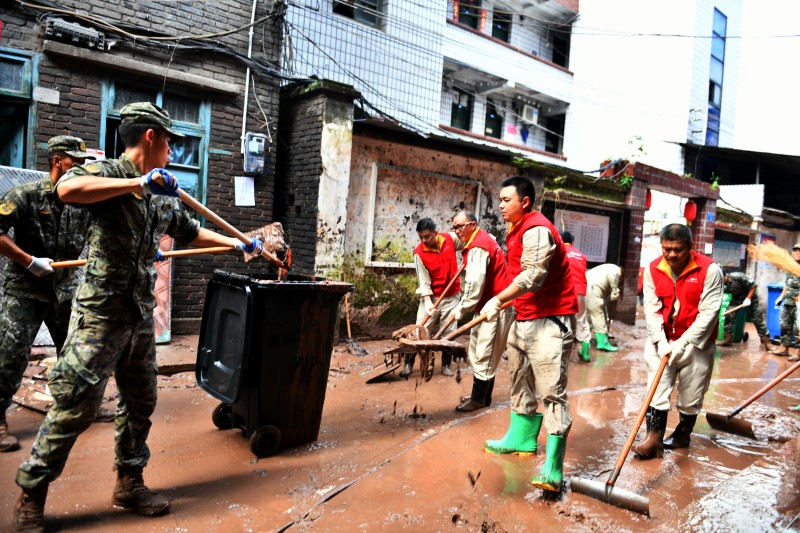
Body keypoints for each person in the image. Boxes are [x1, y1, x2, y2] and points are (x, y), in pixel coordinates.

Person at [12, 103, 266, 530]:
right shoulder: (109, 174)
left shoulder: (163, 191)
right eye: (169, 140)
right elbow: (67, 190)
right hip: (100, 314)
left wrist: (235, 243)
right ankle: (31, 495)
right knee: (76, 405)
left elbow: (188, 228)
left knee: (141, 401)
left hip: (138, 315)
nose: (171, 149)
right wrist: (138, 182)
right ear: (151, 136)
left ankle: (129, 482)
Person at [0, 136, 98, 455]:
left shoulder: (82, 202)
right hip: (25, 286)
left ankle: (73, 408)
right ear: (58, 160)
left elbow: (107, 233)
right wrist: (28, 260)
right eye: (76, 162)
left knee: (75, 351)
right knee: (11, 353)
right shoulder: (25, 195)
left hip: (65, 286)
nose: (81, 168)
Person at [480, 176, 577, 492]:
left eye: (507, 199)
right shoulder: (515, 229)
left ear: (525, 201)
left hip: (550, 321)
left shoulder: (537, 228)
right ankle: (520, 437)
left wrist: (498, 299)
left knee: (552, 391)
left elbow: (534, 275)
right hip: (523, 318)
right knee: (519, 381)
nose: (501, 205)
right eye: (500, 199)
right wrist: (506, 306)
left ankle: (552, 466)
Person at [632, 223, 723, 459]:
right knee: (657, 388)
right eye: (666, 248)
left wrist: (683, 342)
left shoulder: (710, 270)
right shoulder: (653, 269)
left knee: (691, 393)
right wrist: (661, 342)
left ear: (690, 247)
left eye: (678, 249)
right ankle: (654, 439)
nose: (671, 254)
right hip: (662, 338)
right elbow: (651, 310)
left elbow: (709, 313)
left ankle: (683, 433)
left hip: (696, 343)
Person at [445, 210, 513, 412]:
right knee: (477, 350)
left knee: (485, 352)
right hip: (485, 305)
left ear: (472, 225)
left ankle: (479, 399)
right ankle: (482, 395)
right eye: (454, 226)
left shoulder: (478, 247)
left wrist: (460, 308)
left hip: (496, 307)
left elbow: (474, 286)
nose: (456, 230)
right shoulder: (481, 241)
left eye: (459, 226)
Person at [402, 217, 461, 378]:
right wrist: (427, 301)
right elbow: (423, 281)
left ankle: (446, 365)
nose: (424, 240)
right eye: (420, 237)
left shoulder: (450, 239)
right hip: (432, 297)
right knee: (420, 329)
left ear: (436, 233)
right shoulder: (419, 253)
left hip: (452, 296)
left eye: (427, 236)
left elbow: (467, 241)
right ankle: (408, 363)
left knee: (450, 332)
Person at [720, 271, 772, 350]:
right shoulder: (720, 284)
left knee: (757, 319)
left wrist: (748, 299)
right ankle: (727, 340)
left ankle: (767, 342)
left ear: (725, 276)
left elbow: (754, 286)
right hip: (737, 299)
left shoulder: (737, 276)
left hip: (751, 298)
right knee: (729, 315)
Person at [562, 231, 591, 362]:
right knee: (581, 320)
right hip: (580, 291)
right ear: (572, 242)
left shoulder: (560, 252)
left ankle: (563, 353)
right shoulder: (582, 256)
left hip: (565, 291)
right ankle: (585, 350)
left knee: (563, 319)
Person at [771, 243, 800, 357]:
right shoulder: (790, 267)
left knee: (798, 328)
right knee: (784, 325)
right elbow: (787, 284)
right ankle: (784, 348)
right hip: (788, 302)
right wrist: (780, 297)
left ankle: (798, 353)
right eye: (796, 250)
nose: (797, 253)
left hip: (799, 304)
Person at [585, 263, 622, 352]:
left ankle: (584, 338)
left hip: (586, 289)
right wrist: (615, 290)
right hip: (593, 291)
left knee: (588, 317)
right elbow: (613, 277)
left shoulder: (606, 268)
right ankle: (603, 343)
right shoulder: (615, 270)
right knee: (598, 316)